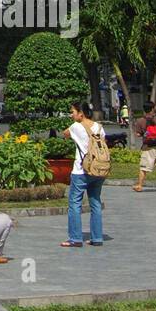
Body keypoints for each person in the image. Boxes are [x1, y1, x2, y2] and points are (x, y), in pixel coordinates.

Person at [61, 100, 106, 247]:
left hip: (81, 171)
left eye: (73, 112)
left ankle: (75, 238)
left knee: (75, 204)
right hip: (98, 170)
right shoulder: (99, 127)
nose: (71, 115)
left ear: (81, 114)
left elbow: (65, 134)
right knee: (95, 203)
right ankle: (97, 238)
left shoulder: (76, 126)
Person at [133, 101, 156, 192]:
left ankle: (139, 186)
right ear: (153, 108)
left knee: (144, 168)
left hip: (147, 147)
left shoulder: (140, 121)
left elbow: (138, 134)